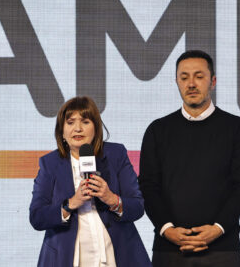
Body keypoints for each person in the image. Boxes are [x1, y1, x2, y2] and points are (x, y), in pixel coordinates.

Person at [138, 50, 240, 267]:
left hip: (222, 249)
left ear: (213, 81)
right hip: (169, 250)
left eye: (199, 76)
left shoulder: (235, 128)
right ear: (176, 82)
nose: (191, 84)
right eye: (184, 78)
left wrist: (217, 229)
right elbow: (148, 187)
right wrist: (168, 230)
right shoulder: (158, 130)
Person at [29, 96, 151, 267]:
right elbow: (37, 217)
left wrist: (112, 199)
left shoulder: (116, 154)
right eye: (70, 122)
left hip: (116, 254)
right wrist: (70, 203)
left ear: (96, 127)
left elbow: (137, 207)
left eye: (85, 122)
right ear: (62, 131)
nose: (78, 129)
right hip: (68, 258)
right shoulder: (50, 164)